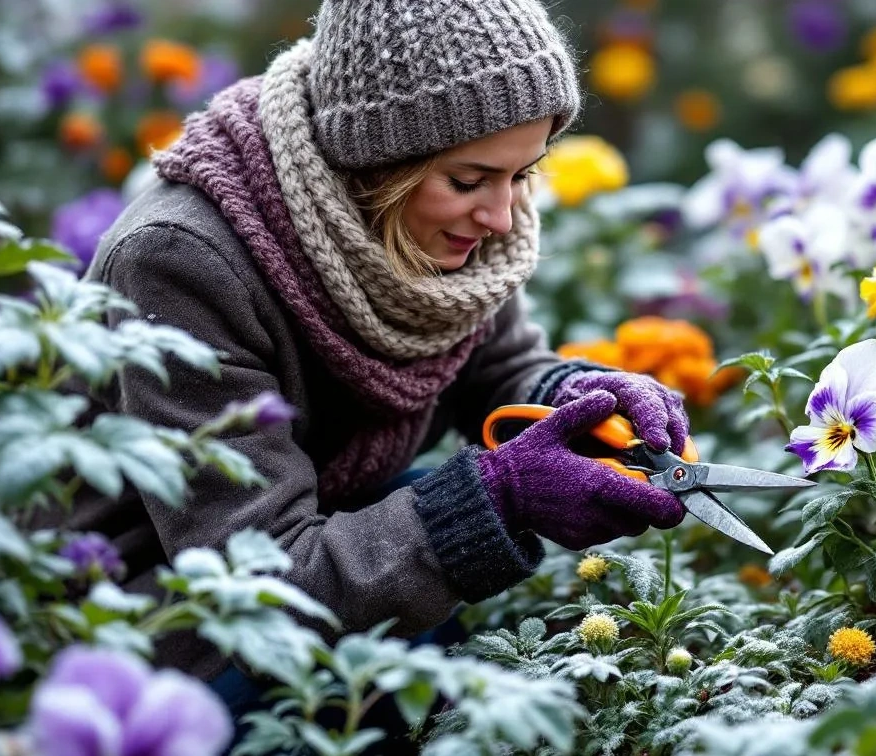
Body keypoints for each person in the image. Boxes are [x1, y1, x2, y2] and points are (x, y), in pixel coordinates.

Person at [55, 0, 691, 690]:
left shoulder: (439, 230)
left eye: (523, 173)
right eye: (470, 180)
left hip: (318, 543)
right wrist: (500, 498)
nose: (502, 215)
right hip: (160, 625)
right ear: (375, 163)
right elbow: (261, 585)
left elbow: (500, 365)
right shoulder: (184, 261)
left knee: (426, 510)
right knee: (437, 517)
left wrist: (579, 400)